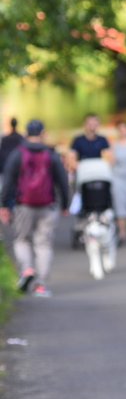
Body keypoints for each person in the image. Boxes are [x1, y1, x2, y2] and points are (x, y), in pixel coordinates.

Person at [1, 119, 70, 297]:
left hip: (23, 204)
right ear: (43, 133)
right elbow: (62, 180)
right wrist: (65, 204)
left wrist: (3, 205)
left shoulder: (18, 154)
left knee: (21, 240)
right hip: (47, 205)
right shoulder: (51, 154)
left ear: (27, 133)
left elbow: (8, 181)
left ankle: (27, 269)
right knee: (44, 244)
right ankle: (41, 285)